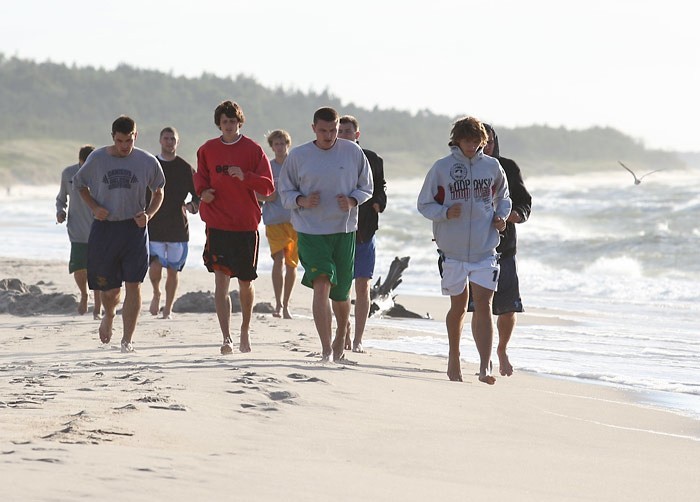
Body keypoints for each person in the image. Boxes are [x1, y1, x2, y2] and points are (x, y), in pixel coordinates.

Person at [417, 116, 511, 384]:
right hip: (453, 251)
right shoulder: (442, 168)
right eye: (467, 140)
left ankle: (484, 366)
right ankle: (454, 355)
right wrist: (445, 212)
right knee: (458, 306)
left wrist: (501, 217)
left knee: (484, 305)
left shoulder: (492, 167)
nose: (471, 146)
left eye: (476, 141)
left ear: (483, 141)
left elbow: (503, 197)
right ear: (457, 140)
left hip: (485, 249)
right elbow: (424, 204)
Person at [278, 106, 373, 362]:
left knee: (341, 294)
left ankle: (342, 332)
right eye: (323, 130)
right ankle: (325, 349)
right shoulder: (299, 156)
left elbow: (367, 186)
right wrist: (301, 200)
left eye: (333, 130)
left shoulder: (352, 151)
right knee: (321, 284)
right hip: (310, 230)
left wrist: (353, 200)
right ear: (313, 129)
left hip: (343, 230)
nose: (329, 135)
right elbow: (284, 191)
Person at [73, 115, 165, 353]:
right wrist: (94, 207)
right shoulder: (98, 158)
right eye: (120, 140)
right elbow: (80, 184)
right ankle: (109, 314)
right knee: (110, 289)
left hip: (134, 229)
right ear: (113, 137)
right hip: (105, 229)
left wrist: (149, 215)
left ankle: (128, 340)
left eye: (129, 140)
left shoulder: (147, 161)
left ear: (136, 135)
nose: (125, 146)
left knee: (134, 284)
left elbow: (159, 191)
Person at [194, 100, 274, 355]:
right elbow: (200, 181)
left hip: (245, 224)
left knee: (245, 282)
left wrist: (246, 176)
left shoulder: (253, 149)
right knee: (221, 282)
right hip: (218, 223)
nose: (229, 125)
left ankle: (245, 330)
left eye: (233, 121)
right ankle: (226, 336)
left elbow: (268, 187)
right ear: (219, 123)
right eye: (224, 121)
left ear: (240, 122)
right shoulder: (207, 149)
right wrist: (203, 193)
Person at [468, 123, 532, 376]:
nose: (486, 147)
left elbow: (525, 201)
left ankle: (502, 349)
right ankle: (483, 357)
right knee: (478, 306)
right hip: (472, 248)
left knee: (507, 307)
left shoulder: (508, 167)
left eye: (490, 142)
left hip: (504, 247)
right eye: (482, 143)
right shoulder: (463, 169)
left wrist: (516, 214)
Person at [337, 115, 387, 353]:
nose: (344, 135)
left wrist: (379, 203)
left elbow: (380, 187)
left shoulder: (373, 158)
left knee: (363, 285)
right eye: (340, 131)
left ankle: (358, 339)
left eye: (348, 131)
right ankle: (343, 329)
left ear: (357, 134)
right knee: (342, 286)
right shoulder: (330, 157)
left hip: (366, 230)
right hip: (338, 229)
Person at [147, 126, 199, 320]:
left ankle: (168, 309)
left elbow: (198, 194)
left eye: (173, 139)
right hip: (154, 223)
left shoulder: (185, 168)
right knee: (155, 264)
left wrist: (191, 206)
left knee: (173, 269)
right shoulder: (151, 164)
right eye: (166, 138)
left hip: (178, 226)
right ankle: (156, 293)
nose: (169, 142)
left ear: (178, 142)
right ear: (160, 141)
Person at [55, 144, 103, 319]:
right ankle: (84, 293)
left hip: (99, 228)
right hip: (77, 230)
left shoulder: (101, 174)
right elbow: (61, 199)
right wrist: (60, 212)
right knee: (79, 268)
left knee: (97, 269)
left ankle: (98, 307)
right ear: (80, 161)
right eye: (84, 164)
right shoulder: (68, 174)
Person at [257, 129, 298, 319]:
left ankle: (287, 304)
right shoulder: (267, 167)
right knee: (279, 260)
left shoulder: (296, 164)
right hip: (273, 219)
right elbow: (254, 192)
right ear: (272, 146)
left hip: (295, 219)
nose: (280, 147)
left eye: (283, 143)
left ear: (287, 144)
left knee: (292, 264)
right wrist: (267, 197)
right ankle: (278, 304)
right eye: (276, 144)